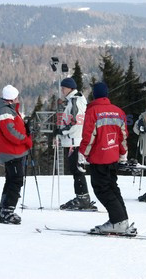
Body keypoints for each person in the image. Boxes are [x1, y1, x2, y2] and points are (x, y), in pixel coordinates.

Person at [79, 82, 136, 234]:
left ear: (94, 95)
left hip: (98, 157)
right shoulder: (118, 111)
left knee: (102, 189)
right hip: (112, 156)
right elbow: (123, 136)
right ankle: (121, 219)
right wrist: (123, 153)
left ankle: (118, 222)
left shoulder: (93, 111)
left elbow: (88, 136)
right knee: (112, 187)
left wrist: (82, 154)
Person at [55, 77, 97, 210]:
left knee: (77, 170)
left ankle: (82, 198)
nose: (62, 90)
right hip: (75, 139)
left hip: (75, 140)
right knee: (76, 170)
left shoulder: (74, 101)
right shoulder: (76, 100)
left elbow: (75, 121)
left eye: (64, 88)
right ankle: (82, 197)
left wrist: (62, 131)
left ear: (70, 88)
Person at [0, 85, 32, 224]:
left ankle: (3, 209)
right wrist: (25, 140)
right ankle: (7, 211)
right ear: (12, 98)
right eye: (16, 97)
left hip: (13, 151)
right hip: (11, 151)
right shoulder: (5, 111)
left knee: (11, 180)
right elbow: (10, 132)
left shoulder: (7, 110)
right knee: (16, 180)